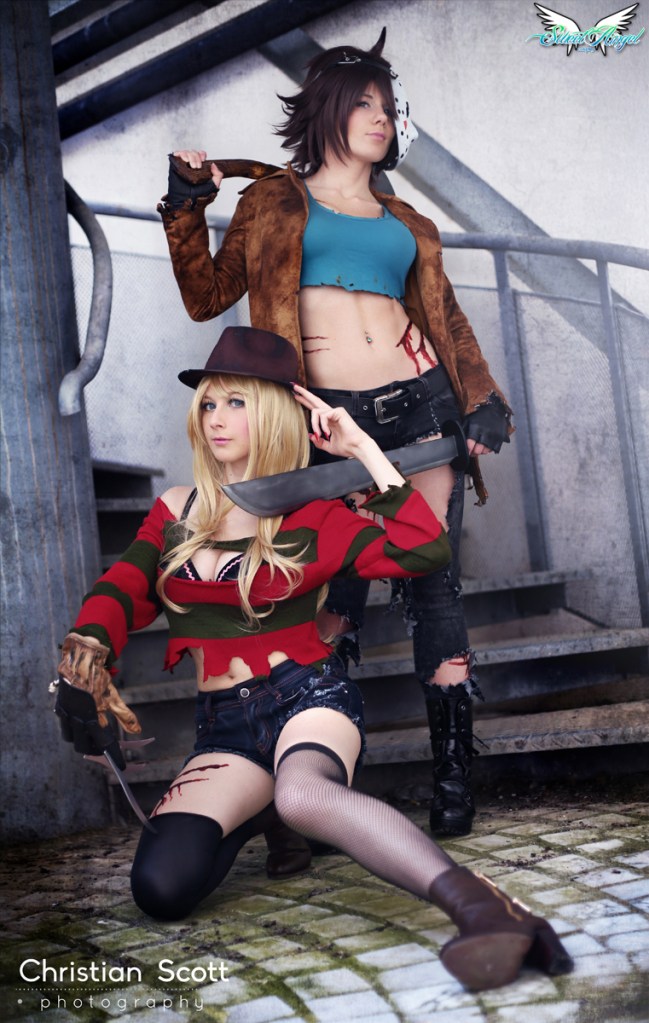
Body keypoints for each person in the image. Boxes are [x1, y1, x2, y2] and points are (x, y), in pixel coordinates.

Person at [55, 327, 570, 992]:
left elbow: (424, 551)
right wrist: (88, 648)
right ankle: (265, 809)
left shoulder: (315, 513)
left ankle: (485, 908)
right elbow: (123, 586)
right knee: (161, 887)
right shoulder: (176, 510)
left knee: (303, 793)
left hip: (307, 697)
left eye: (236, 403)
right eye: (208, 403)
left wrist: (362, 451)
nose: (216, 419)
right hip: (226, 729)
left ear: (273, 414)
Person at [158, 28, 513, 838]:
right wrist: (185, 205)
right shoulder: (272, 201)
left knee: (433, 582)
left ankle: (453, 779)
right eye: (363, 104)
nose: (381, 118)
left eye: (388, 106)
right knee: (329, 593)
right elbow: (205, 294)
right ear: (325, 110)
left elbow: (446, 319)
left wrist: (483, 397)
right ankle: (316, 781)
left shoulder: (408, 218)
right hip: (324, 422)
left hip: (421, 408)